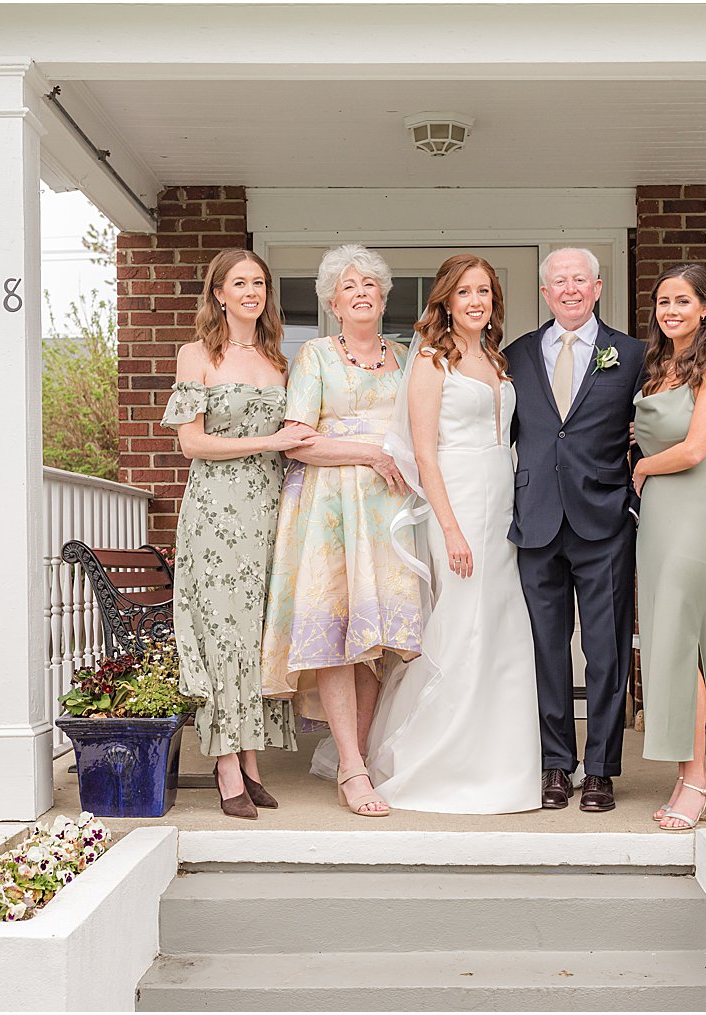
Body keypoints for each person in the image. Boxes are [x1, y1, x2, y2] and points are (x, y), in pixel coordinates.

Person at [367, 255, 541, 813]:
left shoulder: (496, 358)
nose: (476, 301)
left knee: (502, 622)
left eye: (484, 292)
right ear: (445, 300)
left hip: (502, 498)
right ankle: (439, 759)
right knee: (463, 620)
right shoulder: (430, 362)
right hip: (457, 501)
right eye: (464, 292)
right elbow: (423, 452)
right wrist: (450, 528)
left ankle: (502, 764)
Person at [261, 244, 420, 818]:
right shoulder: (314, 357)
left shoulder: (405, 357)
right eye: (348, 287)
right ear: (333, 302)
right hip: (330, 510)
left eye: (369, 285)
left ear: (383, 298)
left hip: (390, 514)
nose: (360, 293)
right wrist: (368, 454)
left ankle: (364, 754)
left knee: (377, 644)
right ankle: (352, 769)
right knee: (335, 633)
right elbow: (297, 438)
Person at [163, 248, 310, 820]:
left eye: (259, 282)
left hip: (271, 510)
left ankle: (252, 763)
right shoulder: (196, 355)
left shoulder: (280, 359)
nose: (252, 291)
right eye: (240, 283)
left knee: (257, 633)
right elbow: (191, 444)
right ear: (218, 293)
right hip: (217, 512)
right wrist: (268, 443)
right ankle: (225, 766)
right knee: (223, 631)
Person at [507, 248, 646, 813]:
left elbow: (652, 429)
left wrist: (632, 500)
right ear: (545, 292)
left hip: (604, 522)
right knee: (546, 649)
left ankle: (601, 771)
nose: (569, 289)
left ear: (597, 287)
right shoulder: (515, 354)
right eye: (558, 281)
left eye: (579, 280)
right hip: (536, 520)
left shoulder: (633, 354)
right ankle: (555, 765)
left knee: (606, 651)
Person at [632, 263, 706, 832]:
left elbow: (695, 448)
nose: (670, 311)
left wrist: (644, 464)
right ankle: (686, 773)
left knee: (682, 642)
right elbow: (652, 425)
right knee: (663, 642)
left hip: (693, 508)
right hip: (657, 517)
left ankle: (697, 778)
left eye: (681, 301)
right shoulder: (657, 367)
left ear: (704, 308)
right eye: (662, 302)